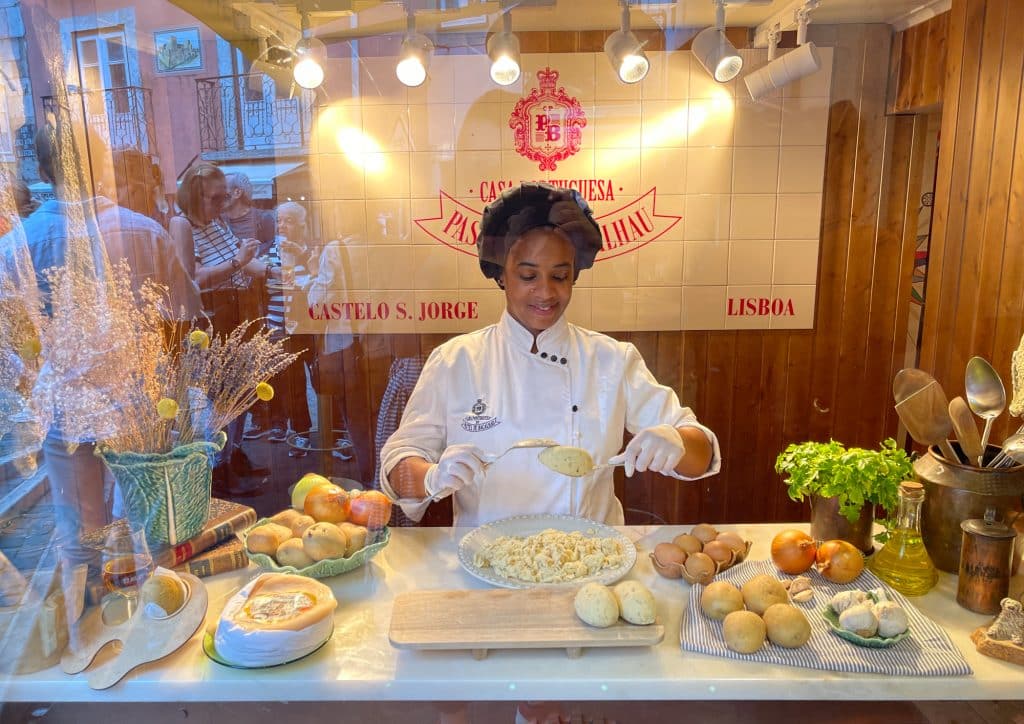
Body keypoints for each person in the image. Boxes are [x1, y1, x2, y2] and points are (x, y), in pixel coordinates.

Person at [380, 183, 720, 527]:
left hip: (590, 564)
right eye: (528, 275)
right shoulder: (456, 361)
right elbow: (397, 465)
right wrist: (430, 477)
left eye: (560, 276)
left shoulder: (611, 360)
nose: (545, 292)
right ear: (501, 274)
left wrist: (676, 442)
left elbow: (702, 453)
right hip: (486, 563)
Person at [0, 121, 200, 558]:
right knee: (148, 529)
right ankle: (153, 613)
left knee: (80, 533)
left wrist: (37, 381)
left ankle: (96, 612)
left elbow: (9, 341)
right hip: (139, 403)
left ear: (44, 170)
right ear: (100, 162)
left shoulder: (17, 244)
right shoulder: (143, 231)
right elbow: (184, 315)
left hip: (66, 409)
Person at [169, 162, 272, 494]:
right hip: (213, 316)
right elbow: (191, 278)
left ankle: (232, 457)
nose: (222, 204)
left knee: (237, 392)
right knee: (219, 396)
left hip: (236, 309)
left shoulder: (214, 222)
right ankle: (221, 470)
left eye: (223, 197)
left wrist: (276, 274)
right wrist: (238, 262)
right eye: (215, 198)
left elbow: (245, 261)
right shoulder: (182, 224)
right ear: (195, 196)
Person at [258, 201, 313, 447]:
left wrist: (300, 253)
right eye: (279, 220)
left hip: (302, 325)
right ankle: (281, 424)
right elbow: (259, 281)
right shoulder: (269, 251)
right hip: (276, 323)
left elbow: (316, 282)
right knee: (280, 377)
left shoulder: (311, 252)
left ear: (302, 224)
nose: (283, 226)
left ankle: (302, 430)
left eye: (289, 221)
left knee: (301, 379)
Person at [222, 172, 276, 256]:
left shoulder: (263, 218)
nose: (218, 194)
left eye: (223, 188)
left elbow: (274, 247)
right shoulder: (218, 220)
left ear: (237, 193)